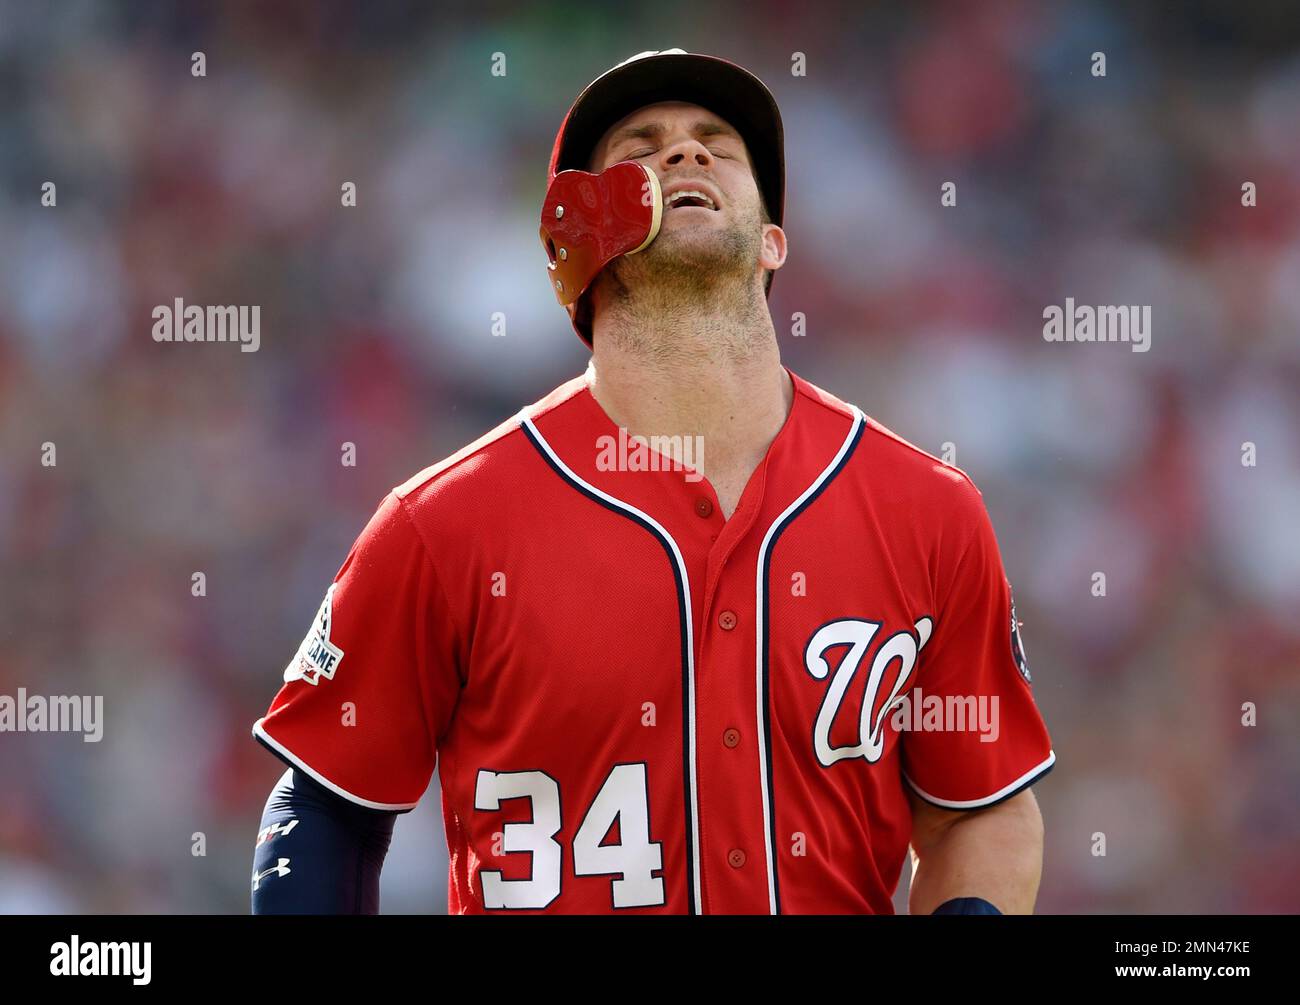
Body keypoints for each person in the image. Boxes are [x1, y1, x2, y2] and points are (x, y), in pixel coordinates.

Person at [251, 49, 1054, 915]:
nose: (688, 153)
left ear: (772, 239)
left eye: (719, 143)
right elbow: (323, 807)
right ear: (578, 238)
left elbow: (982, 811)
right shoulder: (442, 524)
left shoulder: (928, 509)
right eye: (643, 147)